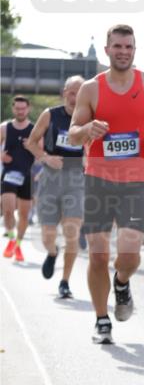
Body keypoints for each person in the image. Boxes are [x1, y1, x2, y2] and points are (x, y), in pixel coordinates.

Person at [69, 24, 144, 344]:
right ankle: (101, 320)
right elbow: (73, 133)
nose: (123, 51)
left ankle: (122, 283)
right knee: (97, 255)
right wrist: (88, 130)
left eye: (129, 46)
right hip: (98, 179)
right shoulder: (91, 88)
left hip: (136, 181)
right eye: (117, 46)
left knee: (130, 255)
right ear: (108, 50)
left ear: (134, 50)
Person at [24, 76, 85, 298]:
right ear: (64, 93)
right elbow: (31, 143)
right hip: (51, 177)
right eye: (72, 91)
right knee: (47, 234)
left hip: (77, 179)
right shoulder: (50, 114)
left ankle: (65, 281)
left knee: (72, 232)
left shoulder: (90, 118)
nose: (75, 96)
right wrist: (45, 158)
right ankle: (52, 252)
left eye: (80, 91)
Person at [1, 95, 35, 263]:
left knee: (24, 215)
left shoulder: (34, 129)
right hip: (9, 174)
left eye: (23, 108)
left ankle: (18, 245)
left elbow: (41, 153)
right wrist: (1, 155)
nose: (20, 111)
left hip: (27, 176)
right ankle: (12, 239)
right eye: (17, 108)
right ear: (13, 108)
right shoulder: (4, 128)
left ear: (28, 109)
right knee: (7, 210)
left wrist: (32, 146)